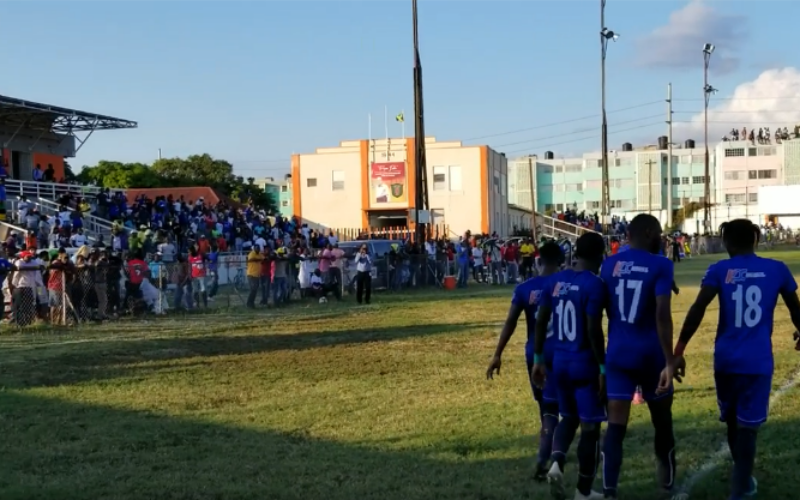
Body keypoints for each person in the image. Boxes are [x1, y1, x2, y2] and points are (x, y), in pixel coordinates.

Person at [670, 219, 800, 500]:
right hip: (757, 361)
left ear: (727, 242)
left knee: (732, 421)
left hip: (726, 360)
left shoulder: (720, 269)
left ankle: (743, 481)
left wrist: (678, 350)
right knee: (747, 428)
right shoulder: (776, 269)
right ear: (755, 240)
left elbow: (697, 309)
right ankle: (740, 488)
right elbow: (795, 308)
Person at [598, 213, 680, 499]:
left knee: (616, 427)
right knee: (662, 420)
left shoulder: (608, 265)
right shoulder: (661, 264)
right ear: (647, 232)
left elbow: (603, 309)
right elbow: (661, 315)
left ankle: (609, 489)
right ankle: (666, 484)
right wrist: (670, 359)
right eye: (658, 233)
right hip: (650, 354)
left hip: (618, 353)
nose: (661, 238)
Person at [532, 232, 608, 500]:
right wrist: (602, 368)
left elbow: (541, 322)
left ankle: (556, 462)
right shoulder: (594, 284)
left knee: (567, 417)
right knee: (590, 428)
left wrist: (539, 359)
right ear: (600, 256)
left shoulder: (554, 281)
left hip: (558, 362)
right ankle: (583, 492)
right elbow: (593, 328)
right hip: (584, 363)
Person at [486, 242, 564, 480]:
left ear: (538, 259)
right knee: (571, 409)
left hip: (536, 353)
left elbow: (511, 321)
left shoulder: (525, 289)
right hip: (564, 352)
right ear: (561, 261)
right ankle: (553, 454)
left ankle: (547, 452)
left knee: (547, 408)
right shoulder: (567, 285)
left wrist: (498, 353)